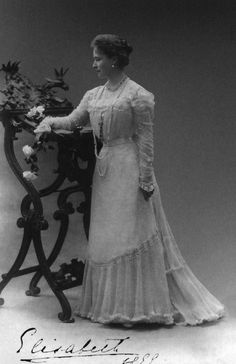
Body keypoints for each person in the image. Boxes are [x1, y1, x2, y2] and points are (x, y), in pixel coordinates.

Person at [34, 34, 225, 327]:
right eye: (94, 58)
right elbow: (74, 121)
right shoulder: (94, 95)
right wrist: (48, 121)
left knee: (131, 234)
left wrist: (146, 181)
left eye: (98, 58)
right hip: (105, 170)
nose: (94, 63)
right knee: (109, 236)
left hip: (130, 168)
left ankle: (137, 309)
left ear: (114, 59)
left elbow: (146, 141)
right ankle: (112, 307)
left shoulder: (138, 95)